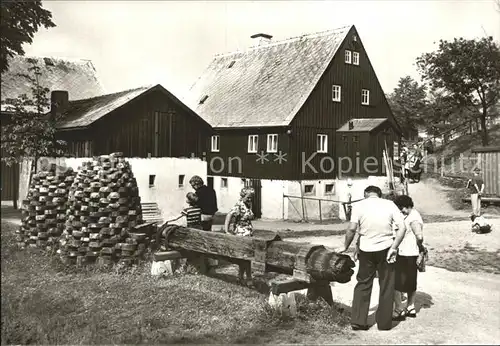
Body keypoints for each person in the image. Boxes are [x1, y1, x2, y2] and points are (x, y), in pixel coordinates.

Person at [336, 185, 407, 331]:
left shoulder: (359, 205)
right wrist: (394, 248)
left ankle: (358, 321)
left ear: (365, 194)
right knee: (387, 285)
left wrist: (345, 246)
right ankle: (384, 323)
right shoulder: (389, 204)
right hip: (386, 248)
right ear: (379, 195)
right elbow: (403, 228)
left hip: (366, 249)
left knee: (363, 283)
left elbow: (352, 229)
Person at [392, 195, 426, 320]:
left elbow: (419, 235)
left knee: (397, 281)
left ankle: (399, 308)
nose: (401, 210)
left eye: (402, 208)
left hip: (406, 253)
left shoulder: (414, 216)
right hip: (408, 253)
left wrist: (420, 246)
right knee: (410, 280)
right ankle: (410, 307)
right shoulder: (409, 215)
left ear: (408, 206)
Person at [224, 187, 255, 283]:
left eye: (251, 198)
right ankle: (249, 278)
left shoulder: (248, 205)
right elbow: (229, 216)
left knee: (245, 257)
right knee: (246, 257)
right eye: (248, 197)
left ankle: (240, 276)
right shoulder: (238, 205)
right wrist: (226, 230)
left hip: (248, 232)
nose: (250, 199)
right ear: (242, 196)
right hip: (241, 233)